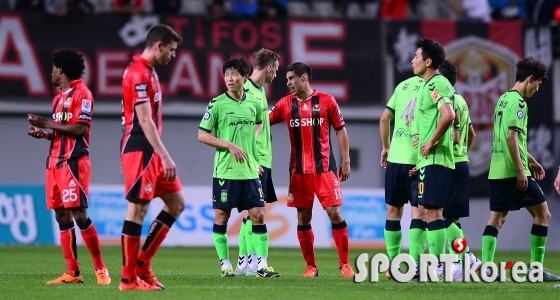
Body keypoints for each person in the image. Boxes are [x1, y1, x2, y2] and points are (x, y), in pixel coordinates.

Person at [27, 48, 110, 285]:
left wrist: (47, 123)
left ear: (60, 70)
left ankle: (101, 269)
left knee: (79, 214)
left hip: (74, 163)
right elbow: (62, 133)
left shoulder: (83, 94)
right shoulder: (58, 98)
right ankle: (73, 273)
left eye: (53, 68)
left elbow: (81, 130)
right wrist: (45, 134)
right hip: (53, 164)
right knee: (62, 216)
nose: (51, 72)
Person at [269, 62, 354, 278]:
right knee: (303, 218)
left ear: (303, 78)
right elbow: (262, 121)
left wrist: (346, 160)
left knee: (335, 213)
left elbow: (341, 131)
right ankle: (311, 267)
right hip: (298, 172)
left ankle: (345, 264)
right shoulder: (285, 104)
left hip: (324, 168)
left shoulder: (327, 101)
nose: (287, 83)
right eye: (286, 79)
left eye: (291, 78)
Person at [198, 56, 280, 278]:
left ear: (245, 77)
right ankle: (225, 265)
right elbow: (202, 135)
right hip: (225, 171)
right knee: (222, 218)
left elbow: (260, 123)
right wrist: (228, 145)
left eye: (234, 74)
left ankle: (261, 265)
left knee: (259, 215)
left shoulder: (254, 103)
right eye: (227, 74)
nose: (230, 78)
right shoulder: (216, 104)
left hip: (250, 171)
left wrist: (254, 159)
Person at [119, 24, 185, 291]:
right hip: (141, 149)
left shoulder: (148, 71)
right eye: (171, 50)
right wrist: (166, 156)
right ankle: (127, 280)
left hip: (149, 150)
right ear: (158, 45)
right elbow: (144, 120)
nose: (173, 55)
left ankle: (142, 266)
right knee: (137, 210)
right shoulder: (138, 74)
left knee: (176, 203)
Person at [481, 57, 560, 281]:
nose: (537, 89)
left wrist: (532, 161)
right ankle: (536, 270)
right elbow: (511, 137)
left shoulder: (503, 99)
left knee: (496, 219)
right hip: (512, 172)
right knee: (543, 215)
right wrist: (520, 169)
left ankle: (486, 268)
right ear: (530, 79)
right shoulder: (519, 103)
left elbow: (511, 140)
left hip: (496, 171)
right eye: (538, 84)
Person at [411, 38, 455, 274]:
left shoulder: (437, 83)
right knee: (426, 210)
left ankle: (440, 265)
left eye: (416, 56)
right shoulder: (427, 86)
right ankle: (433, 265)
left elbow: (448, 115)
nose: (412, 60)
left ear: (428, 61)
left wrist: (432, 141)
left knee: (433, 211)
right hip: (427, 159)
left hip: (436, 158)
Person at [235, 49, 280, 277]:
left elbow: (262, 127)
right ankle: (257, 264)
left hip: (264, 159)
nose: (276, 76)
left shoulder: (261, 92)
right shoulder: (248, 92)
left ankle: (244, 262)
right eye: (277, 71)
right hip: (257, 160)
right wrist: (253, 160)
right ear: (269, 68)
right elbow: (249, 130)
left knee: (251, 213)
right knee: (258, 213)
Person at [438, 60, 481, 281]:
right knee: (452, 218)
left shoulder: (448, 100)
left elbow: (454, 135)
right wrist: (464, 151)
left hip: (449, 162)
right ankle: (464, 258)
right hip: (461, 161)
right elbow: (472, 133)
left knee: (439, 214)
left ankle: (465, 256)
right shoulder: (462, 100)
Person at [379, 74, 424, 280]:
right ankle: (416, 266)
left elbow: (384, 118)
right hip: (418, 159)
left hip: (395, 159)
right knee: (418, 214)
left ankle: (392, 266)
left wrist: (386, 147)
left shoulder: (402, 86)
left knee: (393, 212)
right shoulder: (434, 86)